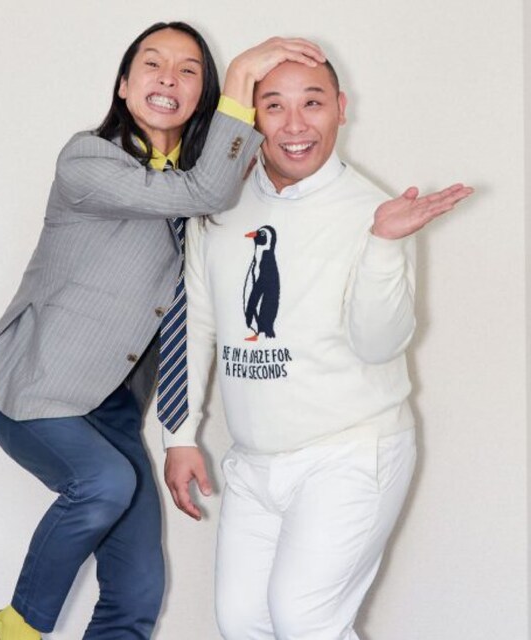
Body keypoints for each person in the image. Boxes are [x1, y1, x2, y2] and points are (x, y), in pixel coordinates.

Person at [0, 21, 325, 640]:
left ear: (199, 96)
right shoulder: (87, 159)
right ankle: (12, 630)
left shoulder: (202, 187)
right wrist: (243, 75)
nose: (169, 78)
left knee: (137, 591)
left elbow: (217, 227)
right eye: (153, 64)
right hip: (34, 388)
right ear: (123, 84)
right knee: (102, 484)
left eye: (189, 71)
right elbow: (201, 190)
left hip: (113, 408)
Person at [164, 57, 473, 639]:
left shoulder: (375, 213)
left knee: (305, 618)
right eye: (273, 105)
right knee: (242, 622)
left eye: (312, 102)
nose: (294, 124)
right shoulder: (220, 207)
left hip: (350, 452)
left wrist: (384, 245)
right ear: (252, 116)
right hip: (254, 462)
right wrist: (178, 436)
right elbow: (197, 322)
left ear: (340, 109)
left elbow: (380, 345)